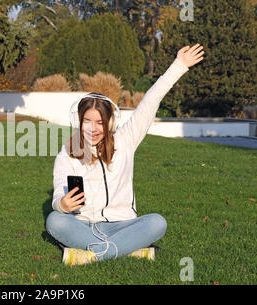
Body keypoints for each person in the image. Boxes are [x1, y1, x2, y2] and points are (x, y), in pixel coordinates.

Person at [46, 44, 205, 266]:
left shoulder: (126, 139)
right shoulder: (68, 153)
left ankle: (93, 254)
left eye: (99, 122)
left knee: (157, 222)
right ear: (79, 122)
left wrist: (178, 66)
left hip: (122, 223)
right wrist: (62, 205)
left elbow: (151, 100)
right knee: (54, 221)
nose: (93, 129)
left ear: (110, 122)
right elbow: (57, 196)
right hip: (82, 224)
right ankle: (128, 248)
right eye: (87, 122)